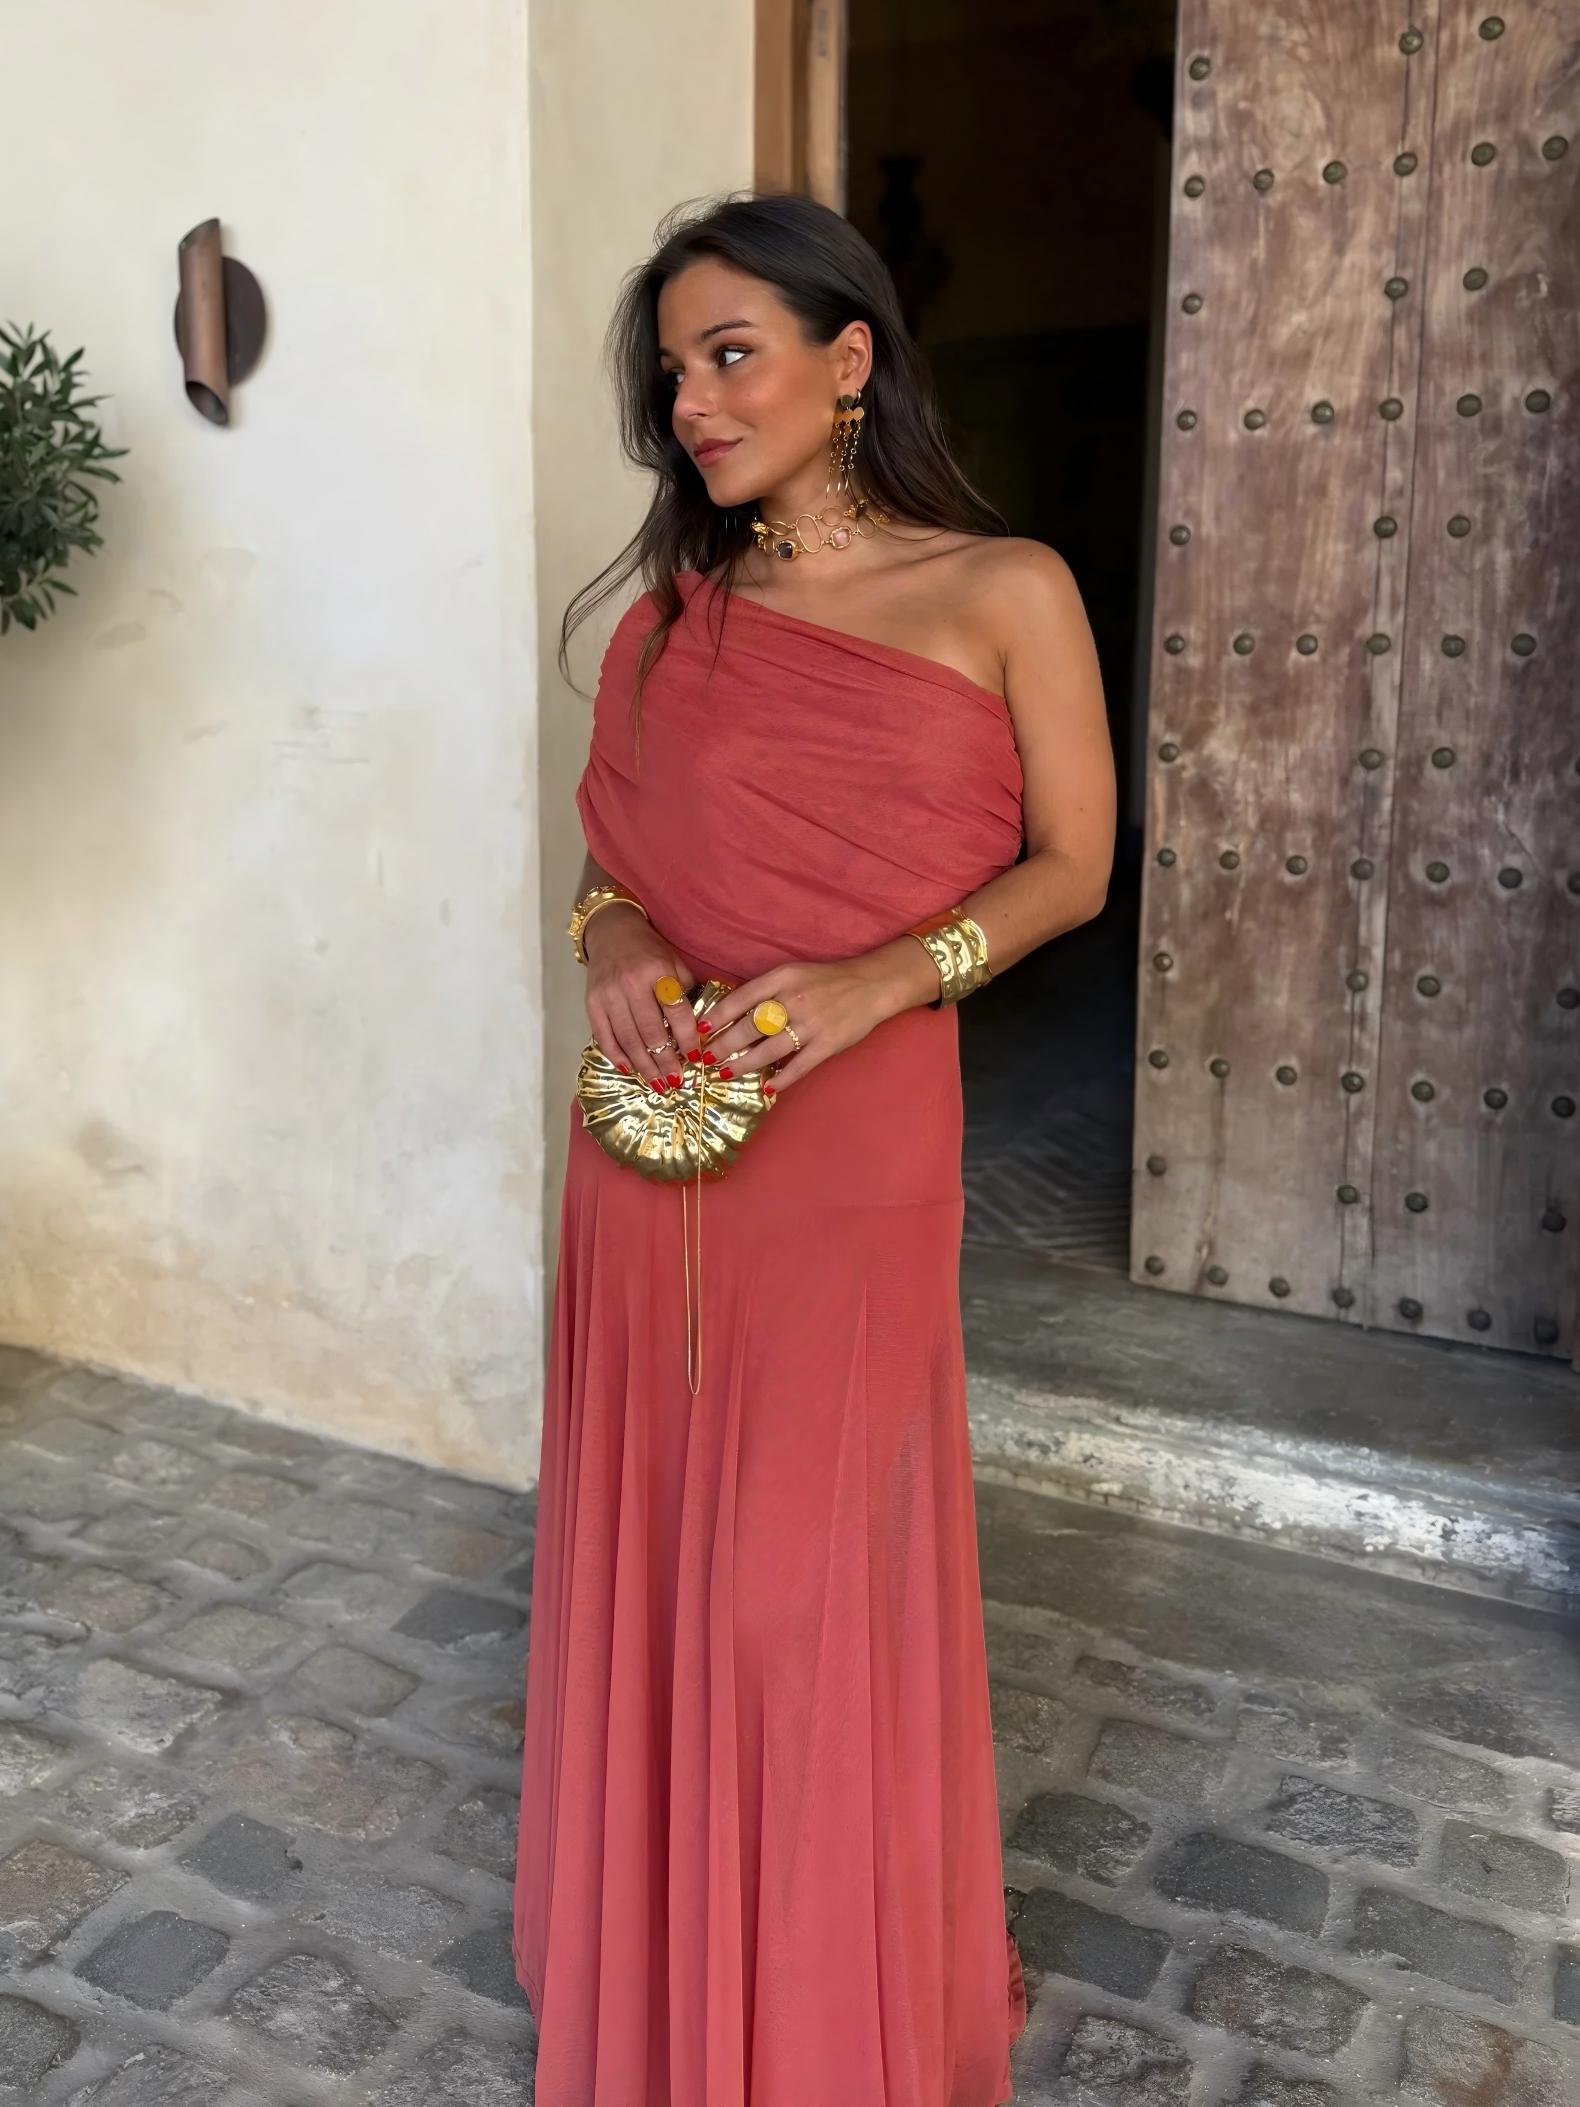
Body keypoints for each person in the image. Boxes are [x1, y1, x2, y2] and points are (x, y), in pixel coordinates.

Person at [513, 190, 1114, 2105]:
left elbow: (1076, 867)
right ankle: (660, 1977)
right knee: (660, 1561)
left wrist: (887, 978)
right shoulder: (668, 625)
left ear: (848, 360)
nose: (692, 402)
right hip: (652, 1147)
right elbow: (614, 863)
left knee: (798, 1588)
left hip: (858, 1142)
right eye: (672, 371)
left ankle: (822, 2010)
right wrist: (612, 944)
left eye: (730, 355)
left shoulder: (1003, 589)